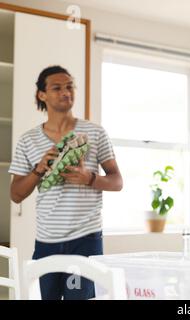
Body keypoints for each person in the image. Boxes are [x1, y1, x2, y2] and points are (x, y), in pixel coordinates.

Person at [9, 65, 123, 299]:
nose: (66, 92)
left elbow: (117, 181)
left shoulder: (95, 133)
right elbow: (16, 194)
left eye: (70, 86)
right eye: (57, 87)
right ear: (42, 95)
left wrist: (89, 178)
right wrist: (38, 170)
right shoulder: (28, 140)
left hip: (86, 239)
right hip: (46, 241)